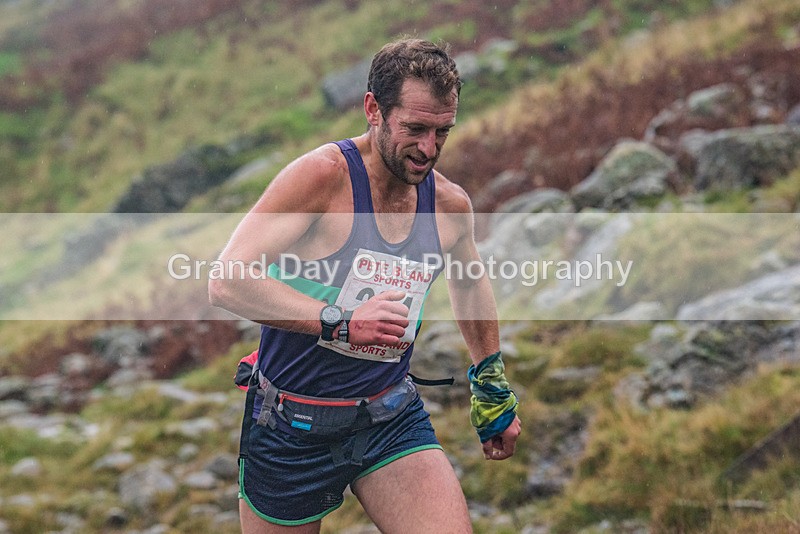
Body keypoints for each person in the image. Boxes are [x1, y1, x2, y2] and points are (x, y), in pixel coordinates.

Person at [209, 38, 521, 534]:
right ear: (373, 109)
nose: (428, 149)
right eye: (415, 129)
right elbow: (228, 280)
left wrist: (492, 385)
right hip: (290, 428)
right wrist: (341, 322)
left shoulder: (449, 205)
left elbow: (469, 282)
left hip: (390, 417)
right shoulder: (322, 179)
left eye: (443, 131)